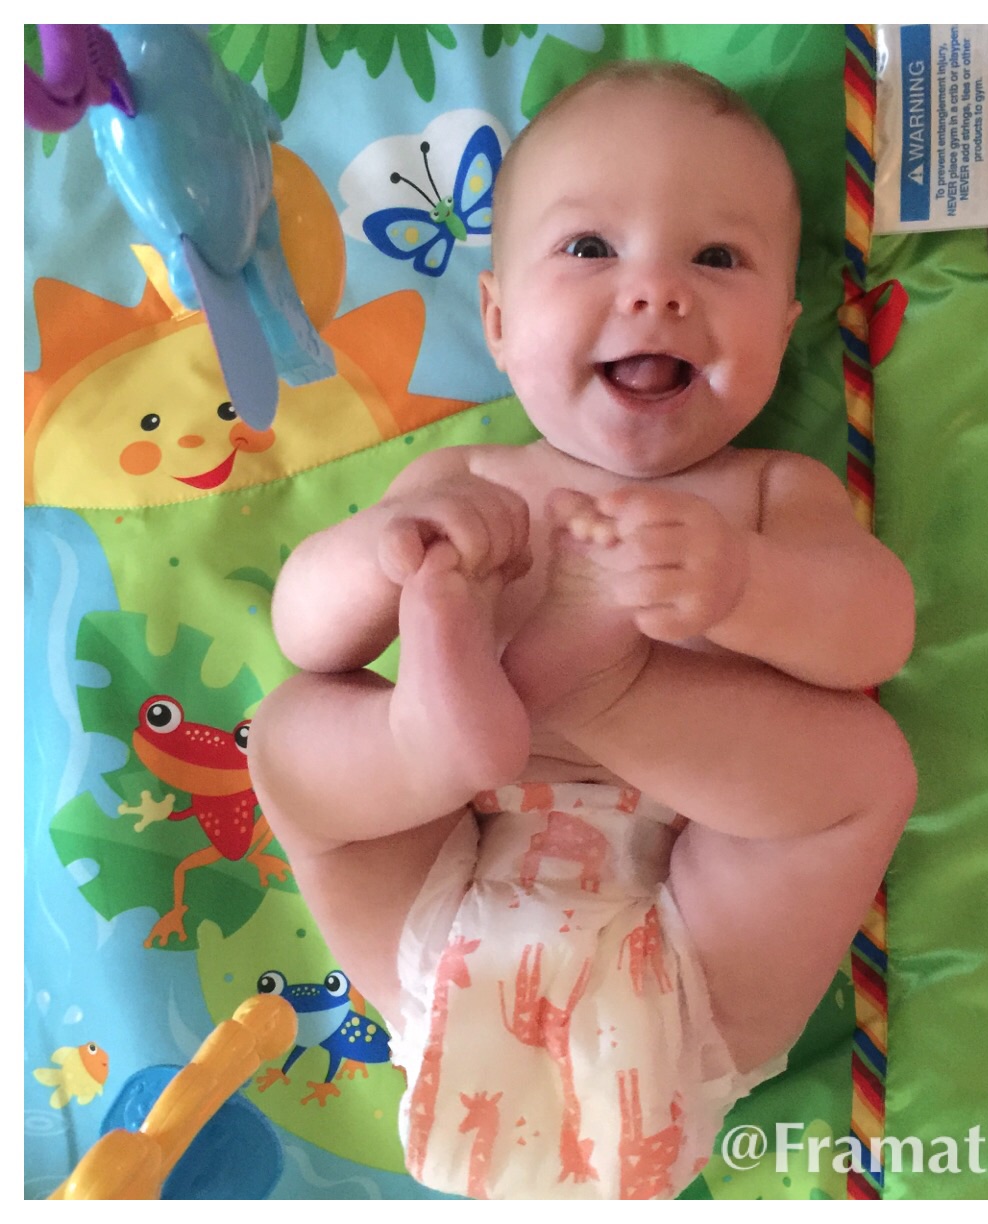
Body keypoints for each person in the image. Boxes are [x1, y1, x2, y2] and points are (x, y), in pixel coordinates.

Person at [249, 60, 917, 1200]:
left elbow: (877, 633)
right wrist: (383, 554)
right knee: (294, 726)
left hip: (688, 931)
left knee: (864, 770)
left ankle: (601, 694)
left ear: (783, 328)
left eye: (718, 258)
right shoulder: (463, 481)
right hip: (458, 874)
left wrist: (747, 587)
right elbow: (305, 627)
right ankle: (427, 740)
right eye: (591, 248)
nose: (656, 291)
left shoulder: (769, 497)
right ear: (499, 321)